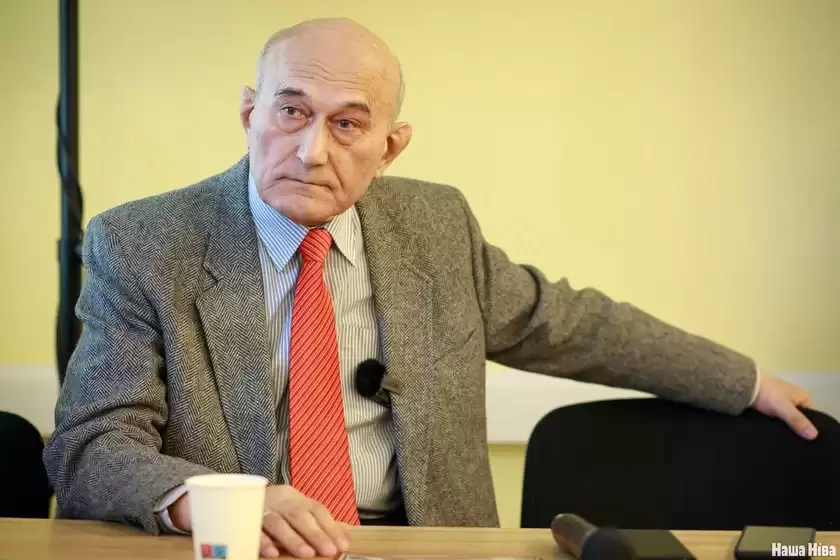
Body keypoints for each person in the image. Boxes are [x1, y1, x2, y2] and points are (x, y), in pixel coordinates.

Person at [44, 17, 817, 559]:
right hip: (249, 548)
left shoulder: (435, 227)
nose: (311, 151)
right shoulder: (143, 245)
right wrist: (222, 500)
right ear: (250, 113)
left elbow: (569, 324)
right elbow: (92, 447)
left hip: (428, 546)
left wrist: (744, 381)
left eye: (348, 125)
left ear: (390, 147)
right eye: (291, 111)